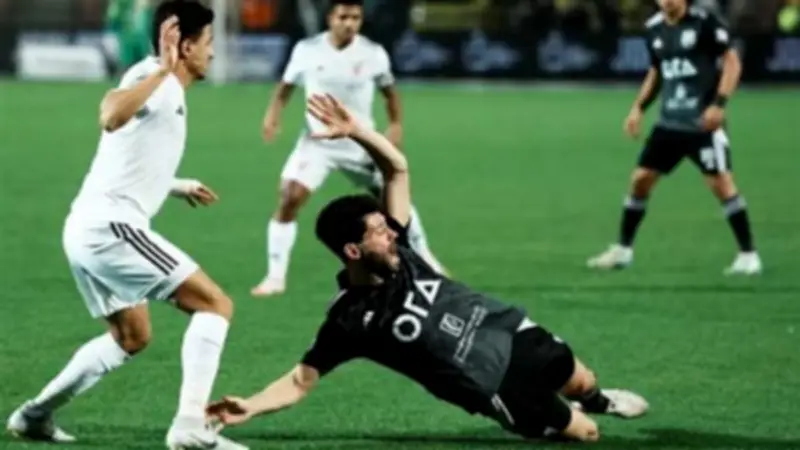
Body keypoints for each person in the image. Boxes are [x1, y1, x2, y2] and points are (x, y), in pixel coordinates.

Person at [207, 94, 649, 442]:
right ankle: (562, 420)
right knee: (586, 435)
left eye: (387, 226)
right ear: (353, 251)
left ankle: (597, 399)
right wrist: (251, 405)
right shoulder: (349, 320)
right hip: (491, 383)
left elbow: (396, 170)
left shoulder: (399, 250)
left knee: (581, 379)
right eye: (378, 231)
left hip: (505, 329)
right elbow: (301, 380)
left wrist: (357, 132)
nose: (391, 233)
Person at [6, 2, 246, 449]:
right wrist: (164, 71)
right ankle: (189, 427)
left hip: (86, 228)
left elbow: (129, 154)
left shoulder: (163, 85)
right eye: (208, 43)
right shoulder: (155, 77)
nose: (213, 53)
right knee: (215, 305)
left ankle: (33, 416)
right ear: (185, 46)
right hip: (110, 229)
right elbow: (111, 115)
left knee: (131, 336)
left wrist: (176, 185)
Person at [251, 0, 446, 298]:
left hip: (360, 143)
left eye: (355, 17)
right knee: (290, 196)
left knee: (394, 196)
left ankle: (425, 256)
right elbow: (285, 87)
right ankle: (275, 277)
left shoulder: (373, 53)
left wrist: (395, 125)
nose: (349, 23)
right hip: (318, 143)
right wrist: (272, 116)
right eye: (343, 17)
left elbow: (390, 93)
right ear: (330, 18)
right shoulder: (307, 50)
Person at [587, 0, 762, 275]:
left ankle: (748, 255)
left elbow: (732, 61)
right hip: (669, 124)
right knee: (640, 180)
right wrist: (638, 108)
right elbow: (657, 71)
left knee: (721, 184)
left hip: (702, 124)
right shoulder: (654, 28)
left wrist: (719, 103)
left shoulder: (705, 22)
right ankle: (623, 250)